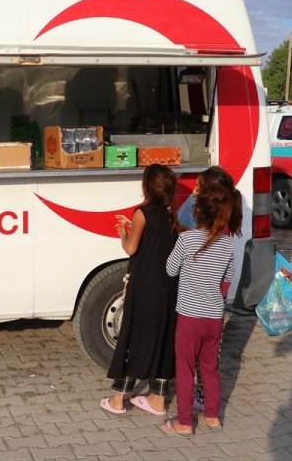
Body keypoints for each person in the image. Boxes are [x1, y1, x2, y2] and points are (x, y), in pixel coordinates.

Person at [160, 165, 242, 437]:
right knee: (210, 369)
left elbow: (171, 270)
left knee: (185, 371)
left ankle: (184, 422)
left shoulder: (186, 239)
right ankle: (212, 416)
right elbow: (226, 281)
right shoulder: (227, 244)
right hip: (214, 318)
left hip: (189, 318)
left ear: (197, 212)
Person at [101, 164, 181, 416]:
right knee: (162, 338)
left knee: (134, 339)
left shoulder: (142, 213)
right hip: (168, 285)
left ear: (146, 187)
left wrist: (124, 233)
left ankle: (119, 398)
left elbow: (131, 249)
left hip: (144, 286)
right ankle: (158, 399)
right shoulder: (171, 214)